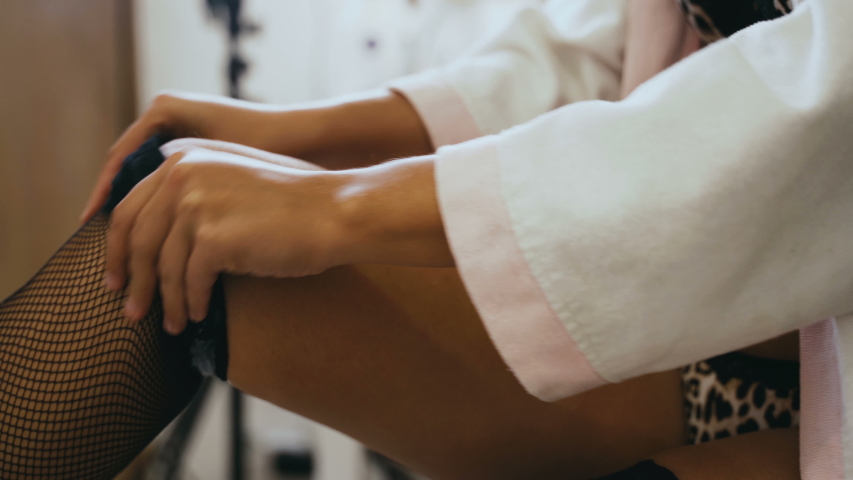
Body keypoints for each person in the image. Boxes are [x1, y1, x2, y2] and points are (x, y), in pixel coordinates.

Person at [3, 0, 848, 478]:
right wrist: (306, 136)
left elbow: (825, 106)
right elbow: (623, 38)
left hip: (815, 335)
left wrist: (342, 205)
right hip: (695, 298)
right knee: (171, 221)